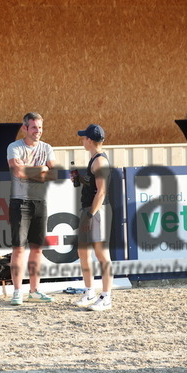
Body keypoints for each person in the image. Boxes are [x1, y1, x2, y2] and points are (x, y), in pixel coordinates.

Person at [7, 112, 58, 305]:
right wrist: (42, 168)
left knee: (37, 249)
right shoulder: (14, 147)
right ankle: (17, 291)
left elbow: (54, 174)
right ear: (25, 128)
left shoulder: (47, 148)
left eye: (40, 127)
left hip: (40, 201)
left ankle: (34, 290)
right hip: (20, 202)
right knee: (19, 248)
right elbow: (18, 172)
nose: (38, 131)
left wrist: (32, 170)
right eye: (34, 127)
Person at [73, 124, 113, 311]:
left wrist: (90, 215)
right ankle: (90, 291)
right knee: (83, 251)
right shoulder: (94, 159)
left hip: (97, 211)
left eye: (84, 137)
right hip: (89, 209)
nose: (82, 140)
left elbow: (102, 192)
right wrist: (80, 179)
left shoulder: (100, 161)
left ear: (89, 140)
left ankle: (106, 297)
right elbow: (94, 186)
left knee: (101, 254)